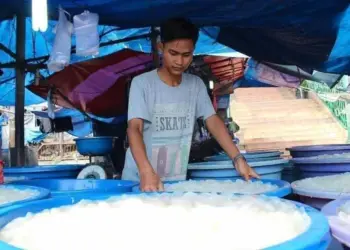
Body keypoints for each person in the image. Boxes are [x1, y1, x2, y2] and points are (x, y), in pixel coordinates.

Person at [122, 18, 259, 191]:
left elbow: (213, 121)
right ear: (160, 47)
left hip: (174, 182)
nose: (180, 61)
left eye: (186, 55)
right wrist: (145, 171)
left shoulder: (195, 85)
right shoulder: (142, 84)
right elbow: (134, 129)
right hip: (139, 179)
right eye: (173, 53)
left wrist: (238, 158)